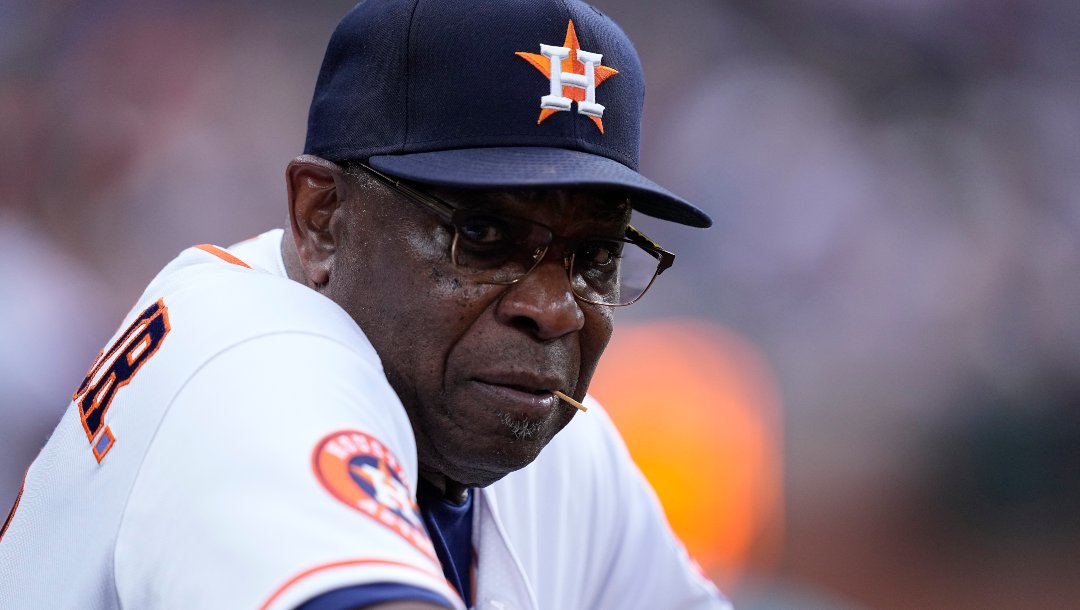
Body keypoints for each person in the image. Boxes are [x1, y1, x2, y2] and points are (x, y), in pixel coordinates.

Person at [0, 1, 729, 608]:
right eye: (483, 235)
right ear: (323, 218)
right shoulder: (249, 366)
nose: (555, 310)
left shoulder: (554, 444)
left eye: (593, 259)